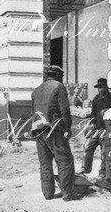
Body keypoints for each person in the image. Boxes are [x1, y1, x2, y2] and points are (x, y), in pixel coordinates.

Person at [31, 65, 80, 201]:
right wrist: (67, 129)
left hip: (38, 130)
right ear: (58, 75)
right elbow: (64, 110)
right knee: (65, 161)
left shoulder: (36, 90)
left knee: (45, 163)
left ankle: (48, 193)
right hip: (54, 130)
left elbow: (32, 112)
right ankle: (68, 194)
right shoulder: (58, 86)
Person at [78, 78, 111, 181]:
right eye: (99, 88)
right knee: (87, 146)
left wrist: (108, 111)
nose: (101, 89)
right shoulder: (96, 99)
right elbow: (93, 115)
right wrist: (91, 126)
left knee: (104, 153)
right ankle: (85, 169)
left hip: (107, 130)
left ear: (107, 87)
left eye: (103, 87)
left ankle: (102, 173)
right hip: (96, 128)